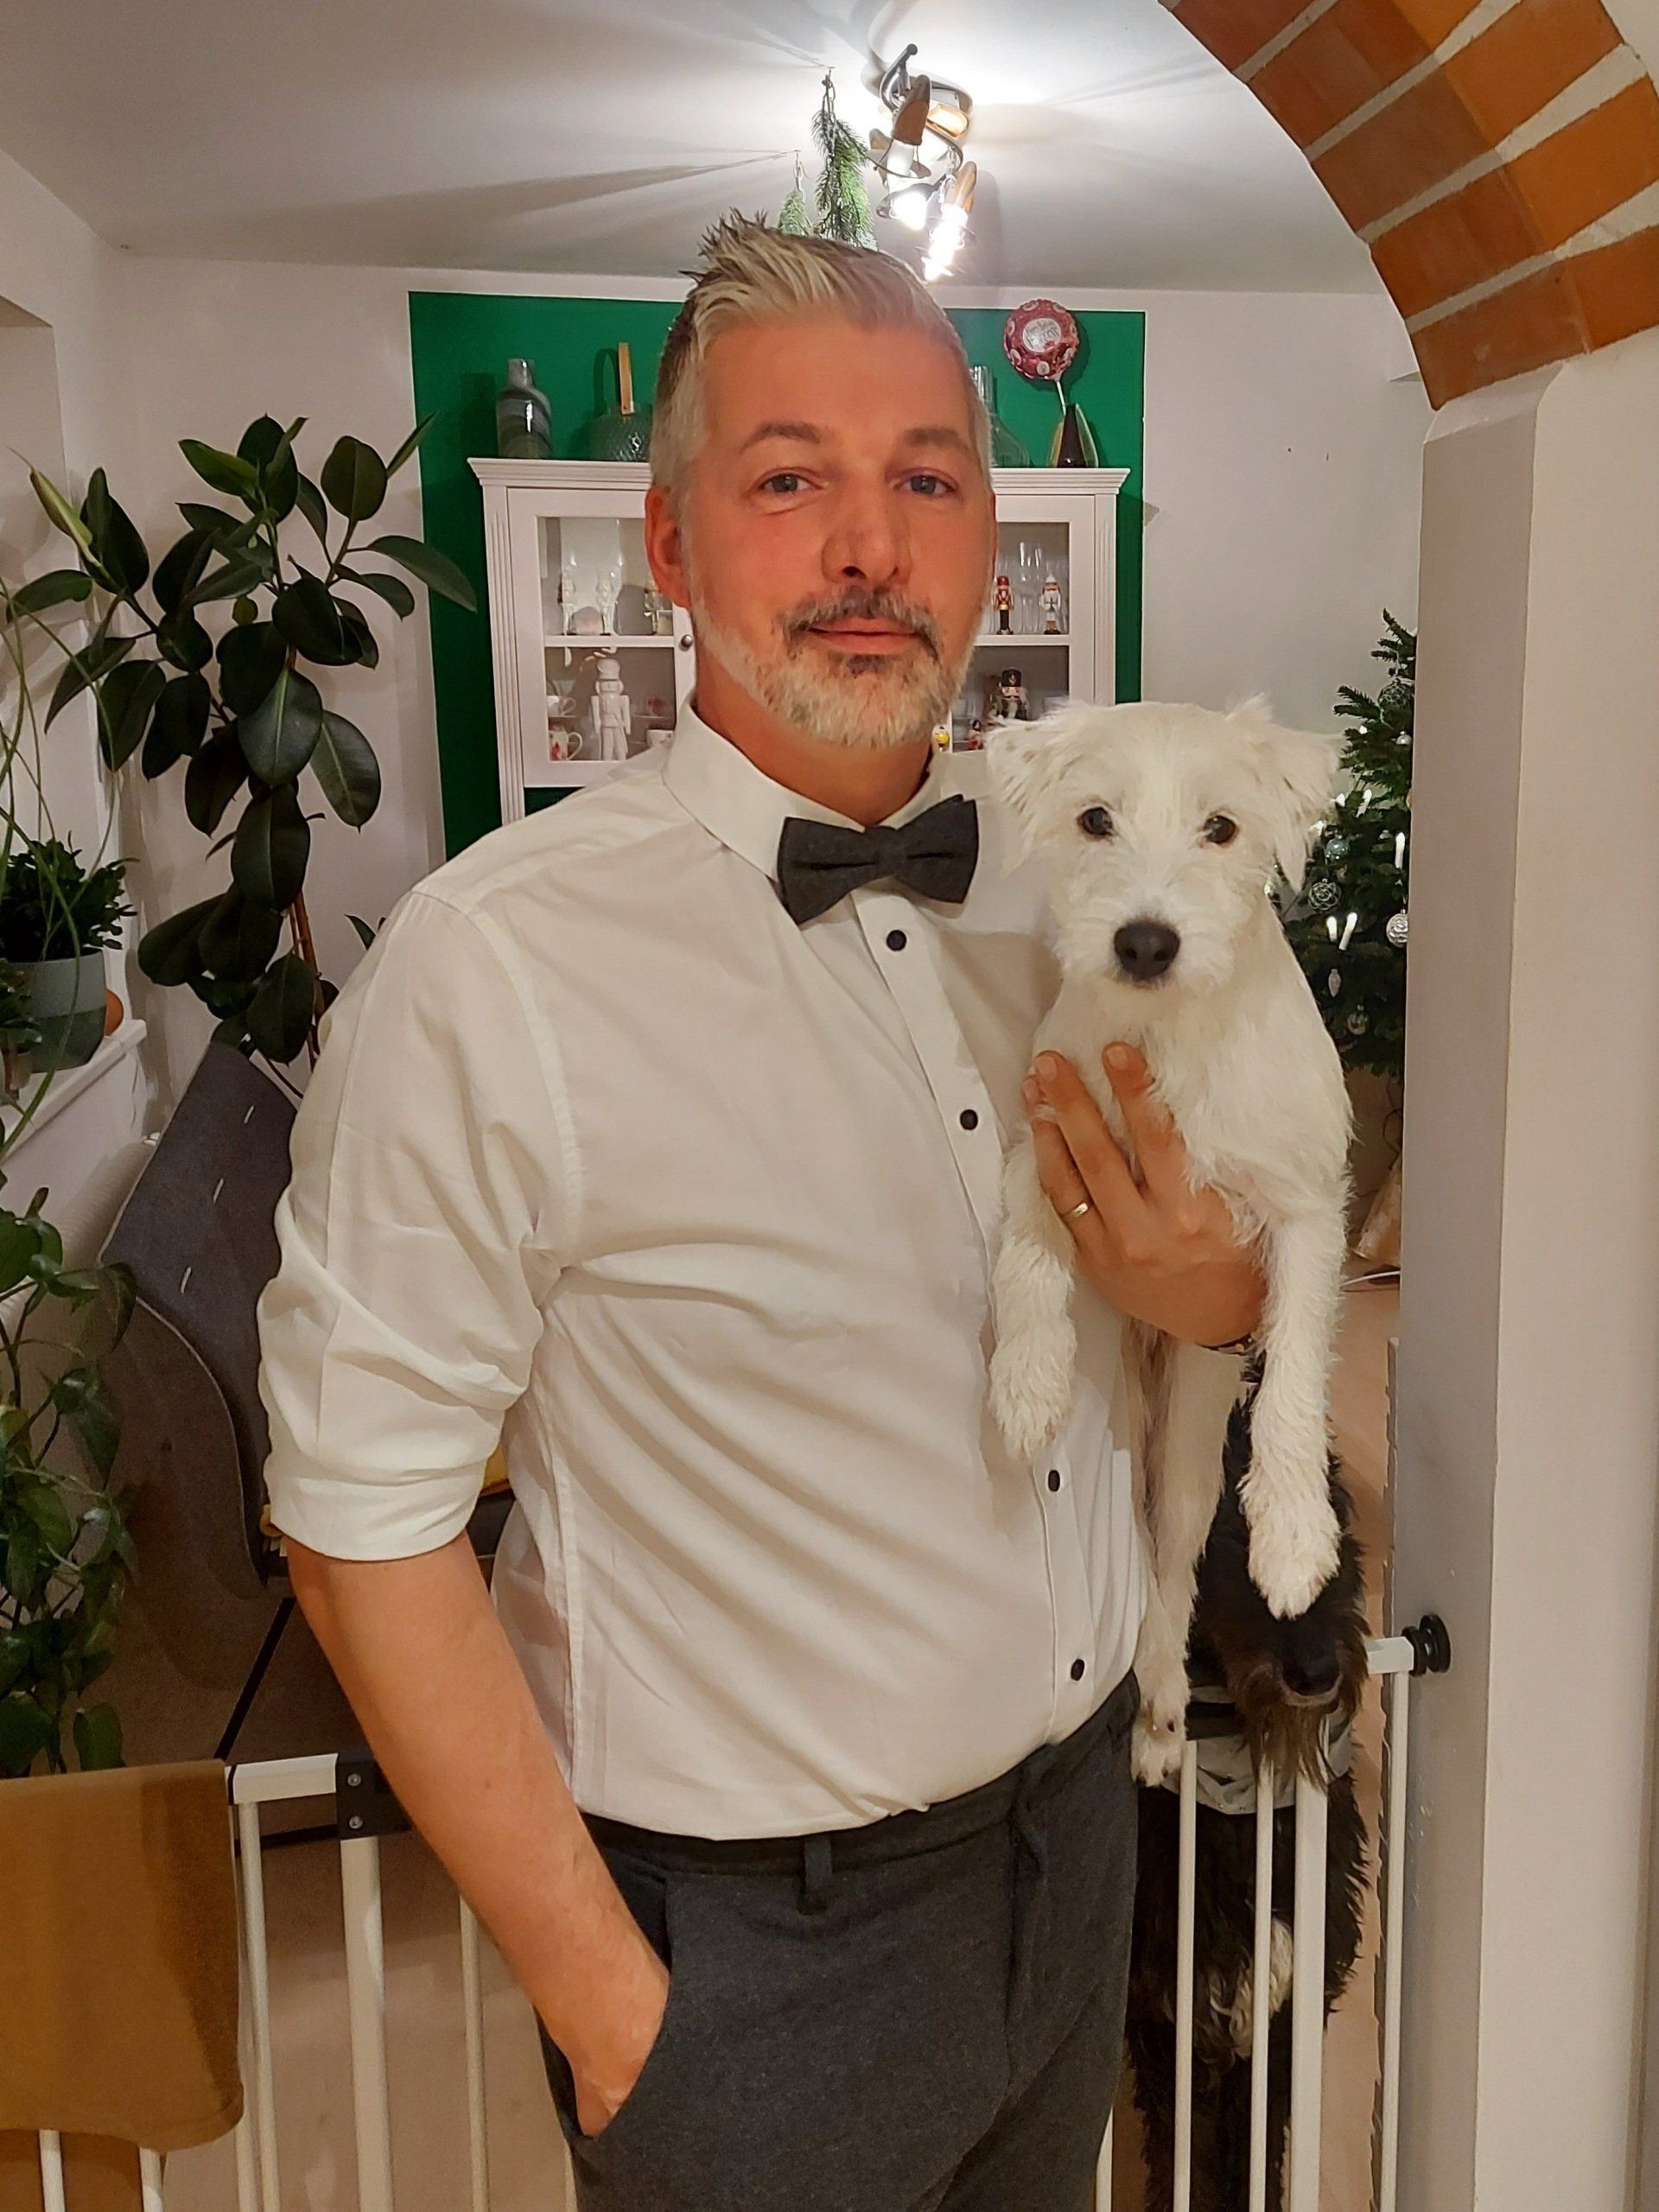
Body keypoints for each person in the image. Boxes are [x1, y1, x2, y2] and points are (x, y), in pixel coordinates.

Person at [257, 217, 1263, 2212]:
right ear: (669, 542)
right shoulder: (492, 969)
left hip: (1076, 1852)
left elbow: (1223, 1271)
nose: (870, 545)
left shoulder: (1085, 894)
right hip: (749, 1959)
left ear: (989, 540)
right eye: (790, 478)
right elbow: (360, 1521)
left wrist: (1209, 1287)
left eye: (928, 481)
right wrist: (608, 1994)